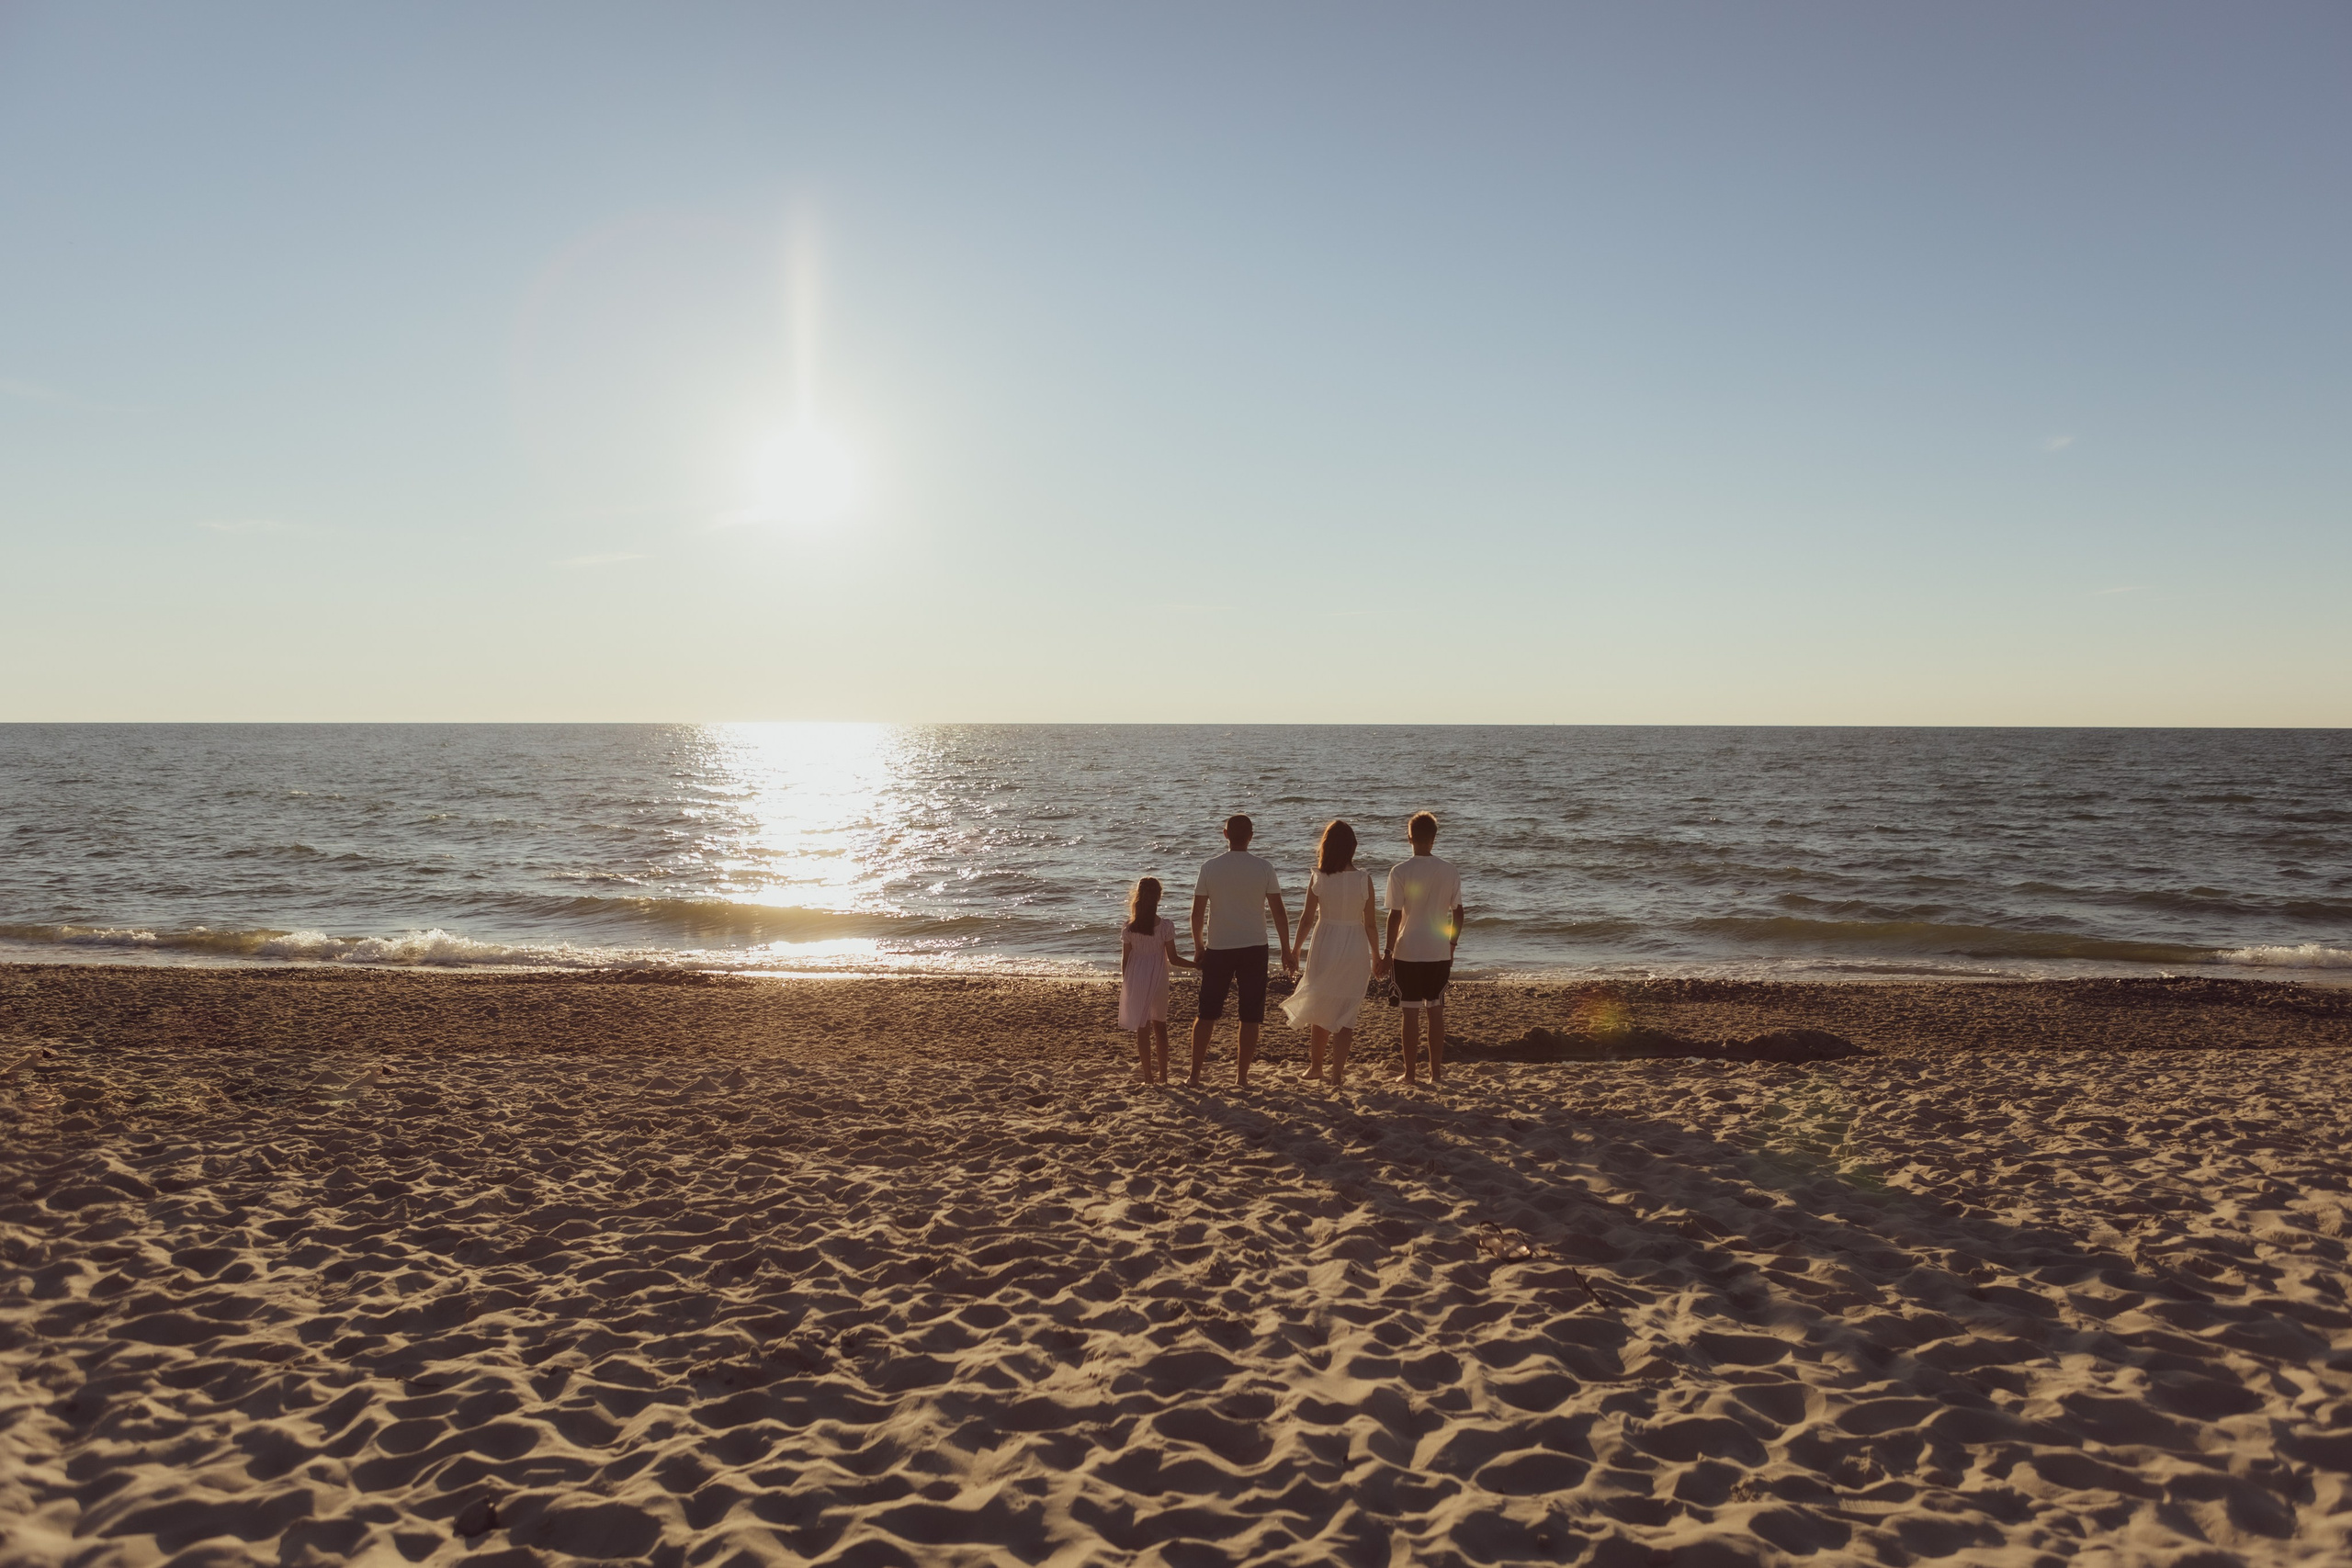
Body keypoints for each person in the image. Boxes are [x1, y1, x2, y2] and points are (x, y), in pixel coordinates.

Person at [1189, 813, 1293, 1088]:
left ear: (1225, 835)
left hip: (1220, 947)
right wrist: (1287, 949)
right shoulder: (1264, 867)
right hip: (1254, 947)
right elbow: (1279, 912)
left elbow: (1197, 914)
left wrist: (1199, 946)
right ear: (1251, 836)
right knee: (1250, 1015)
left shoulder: (1209, 867)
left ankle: (1194, 1075)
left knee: (1207, 1012)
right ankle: (1242, 1078)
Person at [1282, 818, 1386, 1089]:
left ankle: (1317, 1067)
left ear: (1326, 847)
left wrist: (1294, 950)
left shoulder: (1319, 877)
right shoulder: (1364, 879)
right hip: (1354, 945)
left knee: (1320, 1003)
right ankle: (1337, 1075)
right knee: (1346, 1011)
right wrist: (1376, 955)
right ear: (1353, 848)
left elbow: (1306, 920)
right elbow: (1371, 924)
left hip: (1325, 942)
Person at [1383, 811, 1464, 1084]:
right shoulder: (1449, 870)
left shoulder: (1400, 871)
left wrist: (1387, 951)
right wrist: (1451, 944)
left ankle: (1410, 1073)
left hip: (1407, 950)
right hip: (1438, 950)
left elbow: (1394, 915)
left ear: (1409, 838)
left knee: (1410, 1013)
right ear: (1434, 839)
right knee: (1436, 1011)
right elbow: (1459, 914)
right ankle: (1436, 1073)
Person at [1118, 875, 1194, 1082]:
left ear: (1138, 896)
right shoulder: (1165, 926)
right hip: (1158, 977)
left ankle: (1148, 1077)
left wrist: (1128, 984)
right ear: (1159, 897)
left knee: (1142, 1028)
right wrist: (1198, 965)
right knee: (1160, 1025)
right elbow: (1174, 959)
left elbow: (1125, 961)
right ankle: (1163, 1076)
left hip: (1136, 977)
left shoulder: (1129, 927)